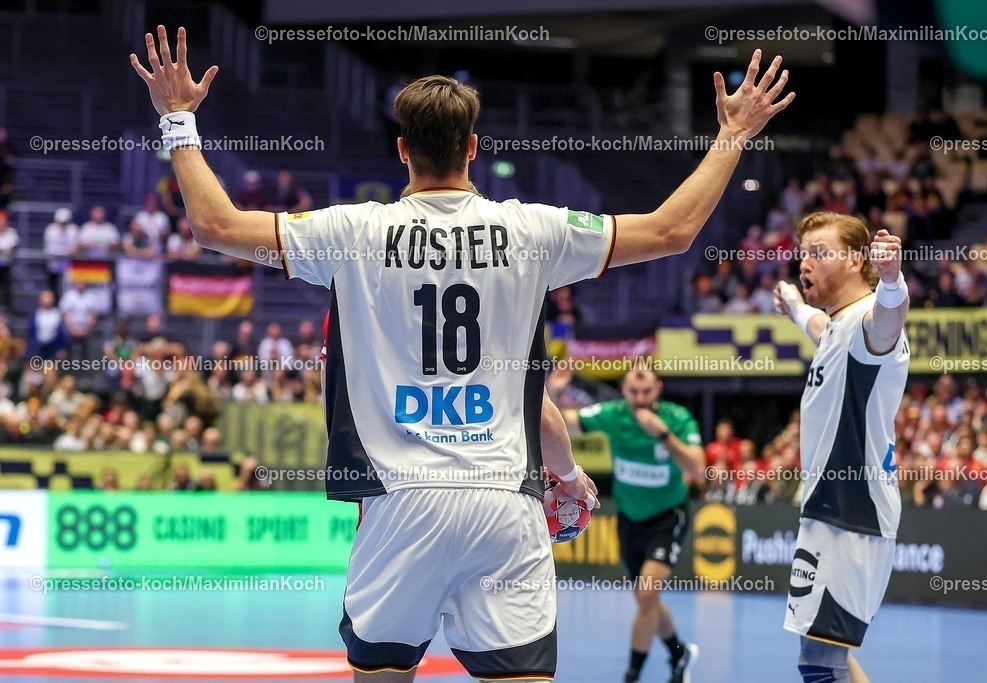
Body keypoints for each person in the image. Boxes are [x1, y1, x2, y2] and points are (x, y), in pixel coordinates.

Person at [130, 26, 791, 681]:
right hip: (504, 500)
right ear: (473, 148)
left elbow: (214, 225)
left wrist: (180, 121)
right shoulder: (533, 229)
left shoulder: (354, 231)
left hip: (399, 503)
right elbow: (672, 231)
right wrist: (733, 135)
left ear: (401, 150)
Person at [774, 212, 910, 683]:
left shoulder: (869, 322)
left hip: (852, 513)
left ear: (856, 261)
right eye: (803, 253)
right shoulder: (838, 326)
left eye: (819, 253)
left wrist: (893, 281)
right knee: (828, 653)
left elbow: (888, 322)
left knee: (818, 663)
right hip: (831, 513)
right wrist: (793, 306)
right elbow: (818, 328)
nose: (805, 263)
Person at [549, 366, 705, 683]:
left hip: (667, 515)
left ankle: (632, 675)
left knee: (647, 595)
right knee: (648, 601)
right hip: (629, 519)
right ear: (624, 389)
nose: (640, 398)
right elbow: (561, 423)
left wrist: (662, 434)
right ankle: (679, 653)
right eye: (634, 391)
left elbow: (699, 470)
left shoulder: (676, 418)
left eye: (646, 391)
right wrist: (552, 392)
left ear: (658, 388)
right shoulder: (613, 414)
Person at [43, 208, 78, 293]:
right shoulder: (50, 230)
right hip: (54, 262)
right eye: (61, 222)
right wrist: (65, 250)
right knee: (52, 286)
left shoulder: (73, 230)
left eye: (65, 222)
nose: (63, 224)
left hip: (68, 263)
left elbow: (75, 248)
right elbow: (49, 248)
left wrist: (71, 250)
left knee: (68, 286)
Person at [0, 211, 18, 311]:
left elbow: (12, 248)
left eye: (3, 223)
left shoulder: (11, 232)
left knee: (7, 288)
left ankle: (7, 309)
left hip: (6, 265)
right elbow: (5, 249)